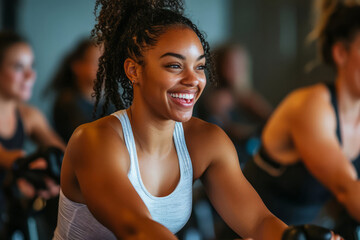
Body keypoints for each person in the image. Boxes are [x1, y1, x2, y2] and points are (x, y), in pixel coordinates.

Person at [53, 1, 341, 239]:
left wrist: (293, 238)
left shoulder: (206, 141)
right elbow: (137, 228)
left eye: (200, 66)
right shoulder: (95, 142)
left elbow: (257, 222)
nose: (193, 80)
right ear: (134, 71)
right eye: (174, 65)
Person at [243, 0, 360, 229]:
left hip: (301, 233)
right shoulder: (310, 106)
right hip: (250, 233)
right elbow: (347, 189)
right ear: (340, 53)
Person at [0, 31, 65, 239]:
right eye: (18, 67)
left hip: (11, 219)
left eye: (31, 66)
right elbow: (6, 156)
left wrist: (56, 172)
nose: (30, 76)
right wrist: (26, 165)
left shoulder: (29, 116)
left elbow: (66, 155)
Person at [198, 43, 273, 166]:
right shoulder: (213, 98)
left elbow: (271, 118)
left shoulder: (246, 95)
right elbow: (229, 132)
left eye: (239, 64)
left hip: (249, 160)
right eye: (230, 64)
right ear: (219, 66)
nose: (236, 69)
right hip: (223, 161)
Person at [48, 38, 113, 142]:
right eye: (97, 62)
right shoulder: (67, 103)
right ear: (77, 66)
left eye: (106, 62)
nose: (103, 69)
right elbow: (85, 142)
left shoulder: (111, 103)